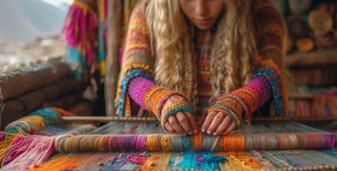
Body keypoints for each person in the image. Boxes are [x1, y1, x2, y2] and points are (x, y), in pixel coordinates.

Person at [114, 0, 288, 136]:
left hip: (240, 140)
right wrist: (160, 99)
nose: (200, 11)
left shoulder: (262, 13)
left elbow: (270, 73)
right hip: (163, 140)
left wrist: (242, 100)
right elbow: (133, 77)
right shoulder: (147, 12)